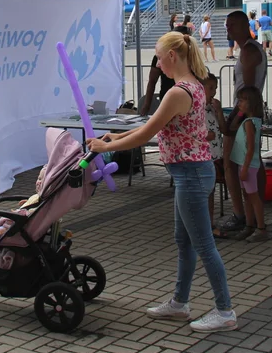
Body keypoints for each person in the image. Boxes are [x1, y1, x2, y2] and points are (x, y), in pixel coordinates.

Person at [87, 31, 236, 332]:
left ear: (171, 56)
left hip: (191, 174)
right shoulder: (193, 86)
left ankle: (225, 311)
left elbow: (146, 134)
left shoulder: (178, 92)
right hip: (192, 172)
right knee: (185, 242)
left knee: (204, 246)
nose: (156, 64)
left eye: (157, 57)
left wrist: (106, 147)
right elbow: (155, 127)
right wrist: (117, 135)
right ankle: (180, 303)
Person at [214, 11, 268, 239]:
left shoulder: (248, 50)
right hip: (246, 113)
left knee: (231, 164)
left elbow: (246, 92)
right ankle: (252, 214)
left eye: (233, 26)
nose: (229, 30)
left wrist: (232, 120)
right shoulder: (250, 49)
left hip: (244, 115)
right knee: (251, 163)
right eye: (227, 26)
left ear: (246, 25)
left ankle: (241, 215)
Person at [229, 86, 267, 241]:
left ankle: (261, 227)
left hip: (248, 165)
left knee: (253, 197)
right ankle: (249, 225)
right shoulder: (248, 121)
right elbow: (231, 127)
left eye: (242, 101)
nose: (239, 103)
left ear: (251, 104)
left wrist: (244, 168)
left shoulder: (250, 123)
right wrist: (239, 113)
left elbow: (251, 148)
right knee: (247, 196)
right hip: (244, 164)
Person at [141, 26, 190, 116]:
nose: (158, 64)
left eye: (160, 58)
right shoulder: (196, 87)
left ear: (171, 55)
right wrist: (146, 105)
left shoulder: (175, 93)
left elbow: (155, 126)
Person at [203, 73, 226, 230]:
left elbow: (223, 127)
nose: (214, 92)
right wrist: (204, 135)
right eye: (210, 88)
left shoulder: (212, 108)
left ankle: (209, 222)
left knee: (211, 190)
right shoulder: (195, 107)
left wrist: (219, 112)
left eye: (215, 88)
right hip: (202, 155)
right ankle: (202, 223)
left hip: (215, 154)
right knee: (203, 191)